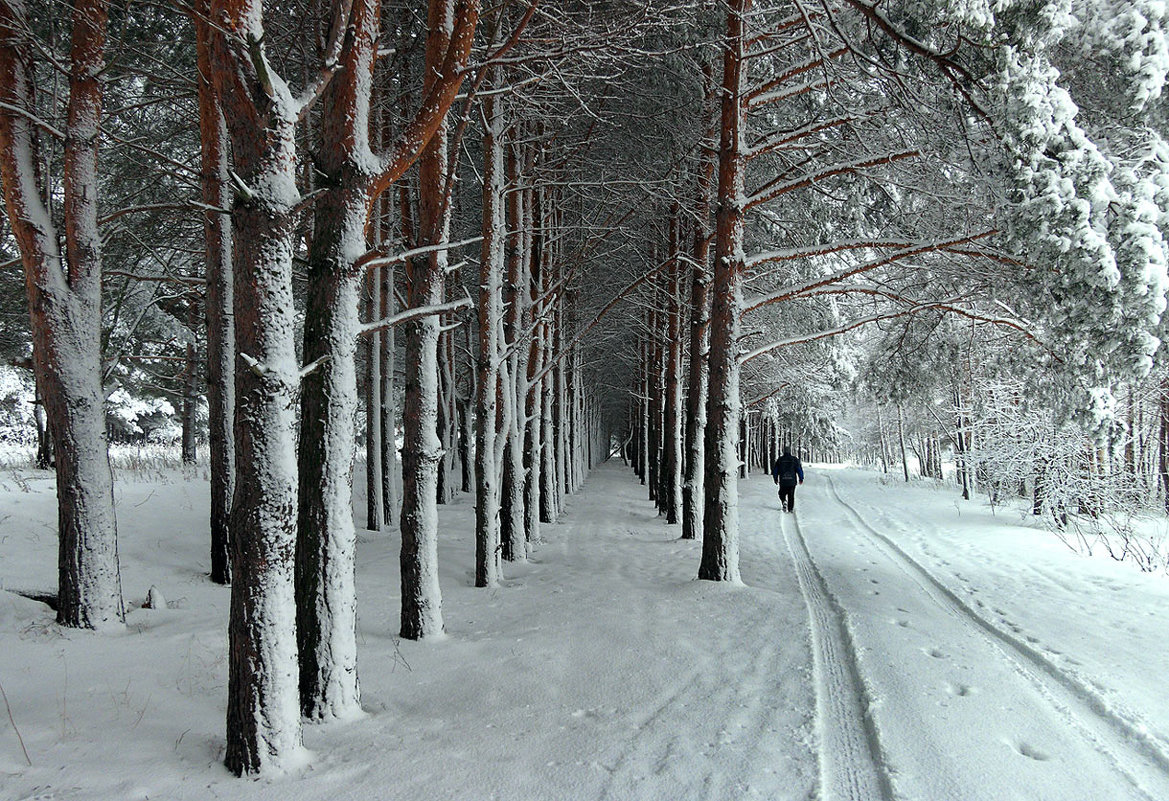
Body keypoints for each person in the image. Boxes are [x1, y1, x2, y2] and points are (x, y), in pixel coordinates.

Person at [771, 446, 804, 513]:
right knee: (791, 495)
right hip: (792, 481)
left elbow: (775, 470)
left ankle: (784, 501)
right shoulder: (794, 459)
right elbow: (799, 469)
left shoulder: (780, 460)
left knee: (781, 493)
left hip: (783, 481)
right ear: (790, 451)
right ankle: (790, 509)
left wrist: (775, 478)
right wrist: (801, 478)